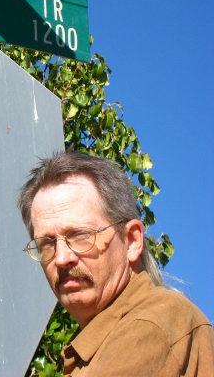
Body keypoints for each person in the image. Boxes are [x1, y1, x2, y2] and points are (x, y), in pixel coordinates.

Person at [17, 152, 214, 376]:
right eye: (47, 243)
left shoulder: (148, 325)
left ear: (131, 240)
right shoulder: (98, 342)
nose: (62, 258)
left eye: (81, 235)